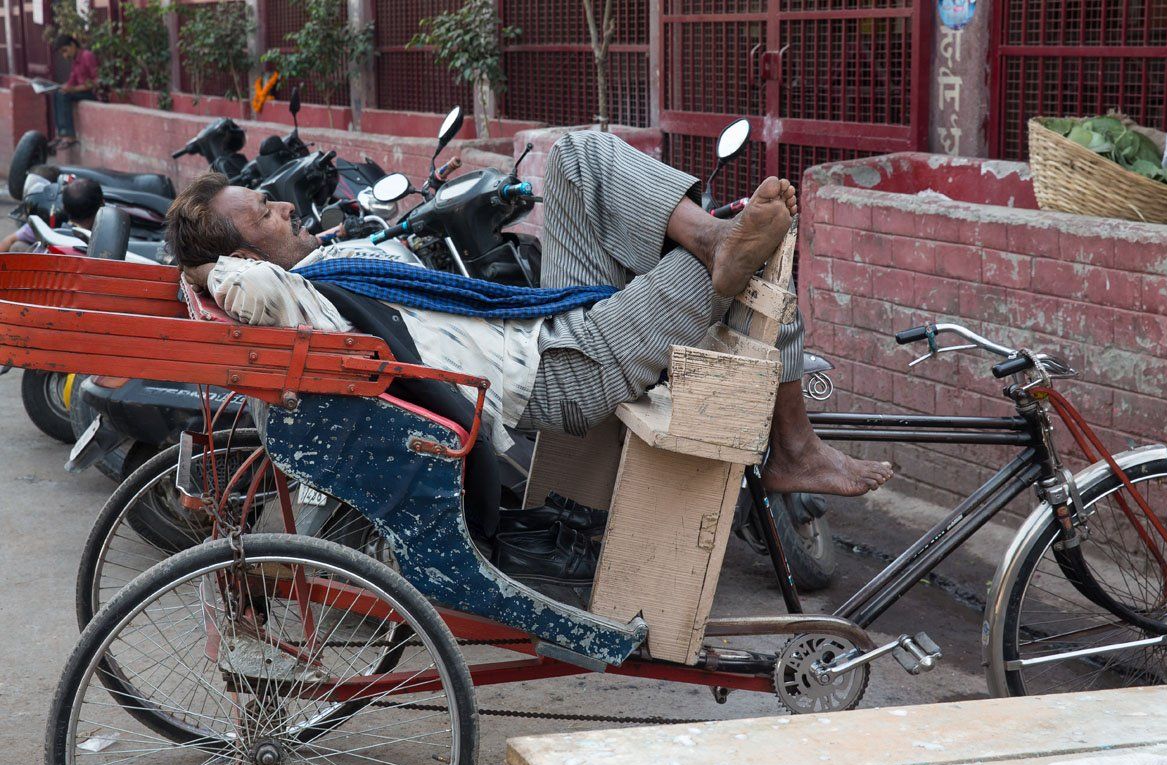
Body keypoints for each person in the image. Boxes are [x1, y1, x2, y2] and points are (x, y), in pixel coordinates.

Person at [165, 131, 893, 500]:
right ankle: (797, 453)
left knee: (576, 152)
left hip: (541, 329)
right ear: (242, 254)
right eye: (263, 212)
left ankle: (711, 239)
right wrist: (199, 263)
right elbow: (238, 284)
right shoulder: (284, 287)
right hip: (560, 369)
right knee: (768, 262)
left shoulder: (323, 268)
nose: (285, 205)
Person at [0, 177, 104, 252]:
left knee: (17, 246)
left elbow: (10, 240)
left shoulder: (49, 224)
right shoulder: (109, 229)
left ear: (64, 207)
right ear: (102, 203)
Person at [50, 34, 99, 149]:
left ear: (72, 45)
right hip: (82, 91)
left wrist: (72, 89)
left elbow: (96, 81)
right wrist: (62, 87)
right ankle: (61, 134)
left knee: (64, 95)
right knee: (57, 93)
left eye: (65, 51)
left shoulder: (87, 56)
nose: (65, 55)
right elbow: (72, 81)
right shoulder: (75, 61)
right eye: (62, 53)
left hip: (94, 94)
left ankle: (69, 135)